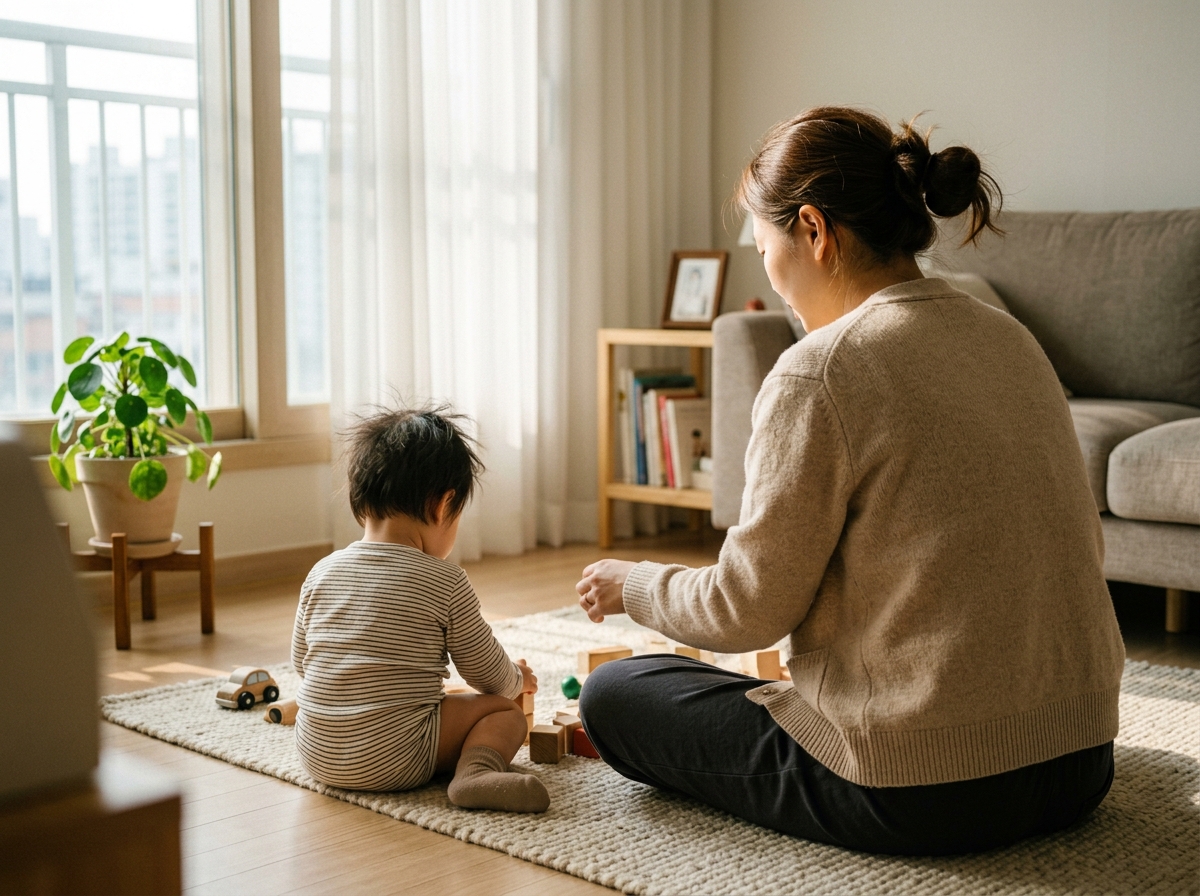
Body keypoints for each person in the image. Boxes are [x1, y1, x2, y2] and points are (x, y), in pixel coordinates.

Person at [575, 106, 1125, 855]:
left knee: (618, 694)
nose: (769, 278)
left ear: (813, 230)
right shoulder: (1011, 338)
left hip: (923, 792)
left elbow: (747, 610)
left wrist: (634, 583)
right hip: (1081, 761)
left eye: (766, 247)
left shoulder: (822, 367)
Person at [291, 407, 549, 812]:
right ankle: (475, 775)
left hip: (317, 755)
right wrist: (518, 678)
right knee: (503, 713)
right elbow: (487, 676)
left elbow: (304, 664)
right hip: (399, 759)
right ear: (443, 505)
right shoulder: (444, 581)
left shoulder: (322, 571)